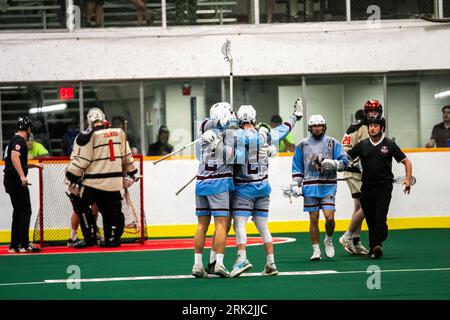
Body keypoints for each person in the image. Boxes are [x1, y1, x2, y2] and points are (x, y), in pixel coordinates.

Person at [229, 99, 303, 278]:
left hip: (243, 189)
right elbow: (283, 129)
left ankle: (241, 259)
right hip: (263, 188)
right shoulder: (264, 134)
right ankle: (271, 263)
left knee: (239, 225)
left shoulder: (235, 136)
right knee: (263, 227)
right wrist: (295, 117)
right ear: (254, 119)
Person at [66, 108, 139, 248]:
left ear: (89, 121)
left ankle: (90, 237)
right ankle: (112, 239)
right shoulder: (119, 133)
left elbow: (82, 160)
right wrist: (133, 172)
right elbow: (127, 157)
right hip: (114, 183)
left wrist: (71, 177)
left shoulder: (87, 136)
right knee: (111, 209)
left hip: (94, 183)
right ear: (103, 118)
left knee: (79, 203)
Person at [346, 117, 413, 259]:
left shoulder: (389, 144)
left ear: (382, 128)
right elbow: (345, 157)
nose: (372, 128)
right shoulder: (362, 144)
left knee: (380, 217)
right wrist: (332, 162)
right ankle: (373, 248)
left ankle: (378, 246)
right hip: (366, 188)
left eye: (376, 126)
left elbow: (407, 162)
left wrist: (407, 179)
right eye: (370, 126)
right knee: (370, 220)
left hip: (384, 187)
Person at [287, 114, 348, 261]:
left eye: (320, 125)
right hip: (310, 186)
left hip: (328, 185)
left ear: (324, 126)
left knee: (329, 218)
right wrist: (296, 185)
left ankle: (328, 238)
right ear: (310, 128)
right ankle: (316, 250)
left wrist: (335, 163)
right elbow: (298, 167)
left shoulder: (333, 143)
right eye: (314, 126)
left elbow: (345, 161)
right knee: (313, 219)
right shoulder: (302, 145)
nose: (317, 128)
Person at [191, 102, 237, 278]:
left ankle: (197, 265)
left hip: (201, 181)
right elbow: (234, 158)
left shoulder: (203, 134)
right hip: (219, 184)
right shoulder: (230, 135)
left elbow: (197, 156)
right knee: (221, 225)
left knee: (202, 225)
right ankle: (219, 262)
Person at [339, 101, 383, 255]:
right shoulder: (355, 127)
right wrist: (357, 163)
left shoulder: (377, 127)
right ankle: (348, 236)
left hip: (366, 175)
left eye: (376, 111)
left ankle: (355, 241)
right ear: (365, 112)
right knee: (365, 206)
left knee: (360, 207)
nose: (373, 114)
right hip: (353, 172)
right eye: (370, 111)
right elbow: (344, 149)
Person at [3, 116, 43, 253]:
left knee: (18, 212)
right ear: (29, 129)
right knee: (25, 211)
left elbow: (16, 161)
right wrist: (22, 176)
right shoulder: (19, 140)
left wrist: (33, 165)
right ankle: (25, 244)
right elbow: (14, 157)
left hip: (11, 180)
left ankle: (14, 245)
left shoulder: (14, 140)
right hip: (16, 181)